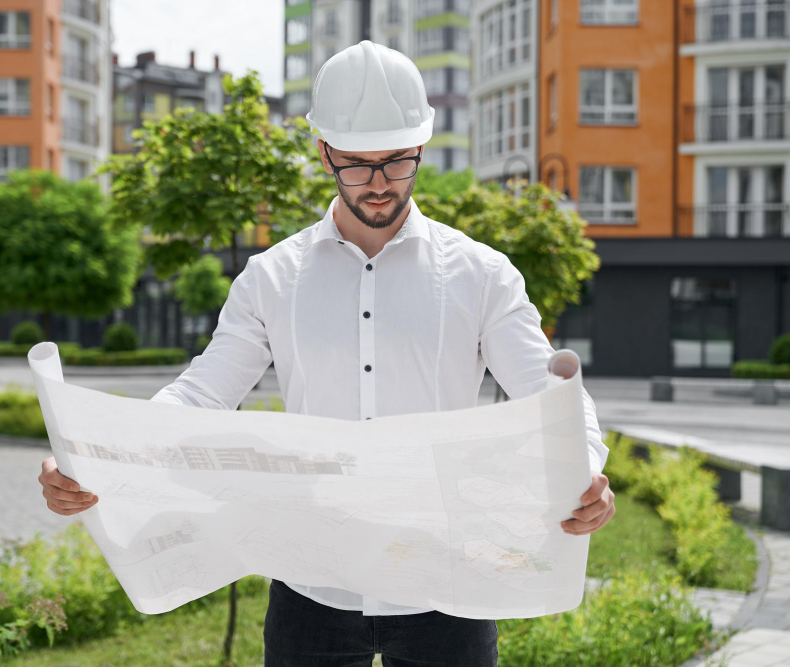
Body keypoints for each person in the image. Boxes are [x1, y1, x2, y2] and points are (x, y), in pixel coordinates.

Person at [38, 40, 615, 667]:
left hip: (447, 586)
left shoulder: (482, 275)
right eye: (356, 164)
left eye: (396, 163)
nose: (377, 184)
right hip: (310, 587)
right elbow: (202, 394)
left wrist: (583, 470)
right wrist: (93, 458)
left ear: (420, 149)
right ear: (324, 153)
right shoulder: (271, 277)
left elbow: (548, 394)